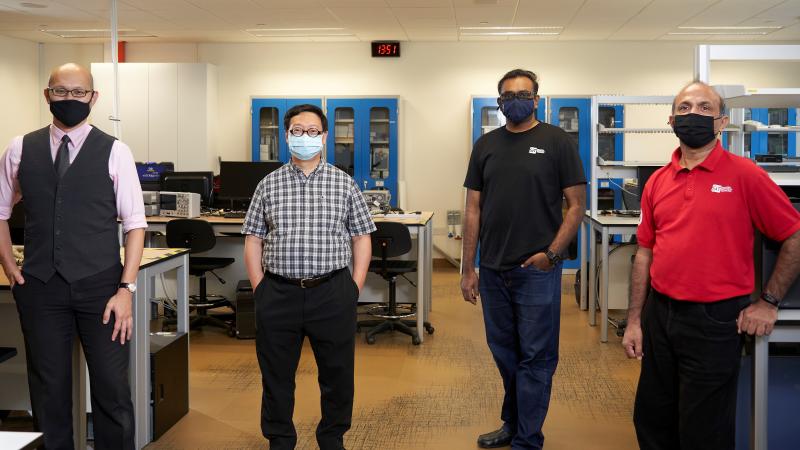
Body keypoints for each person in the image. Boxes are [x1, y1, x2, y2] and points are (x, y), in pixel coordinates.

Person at [622, 80, 800, 450]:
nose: (694, 114)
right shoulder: (657, 181)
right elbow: (645, 253)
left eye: (705, 108)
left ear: (721, 122)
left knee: (704, 429)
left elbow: (794, 237)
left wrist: (769, 301)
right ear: (672, 120)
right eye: (684, 108)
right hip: (660, 314)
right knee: (653, 418)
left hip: (715, 320)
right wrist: (635, 320)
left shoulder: (745, 175)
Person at [0, 63, 146, 449]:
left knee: (112, 389)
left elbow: (135, 225)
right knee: (48, 390)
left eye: (78, 92)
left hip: (102, 288)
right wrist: (9, 264)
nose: (69, 98)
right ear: (47, 95)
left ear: (93, 97)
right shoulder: (19, 148)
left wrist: (126, 289)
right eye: (61, 91)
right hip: (40, 288)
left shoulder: (115, 151)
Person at [460, 69, 586, 449]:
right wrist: (468, 268)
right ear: (500, 101)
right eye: (509, 95)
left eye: (524, 94)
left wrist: (552, 255)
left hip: (536, 271)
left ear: (536, 99)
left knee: (536, 357)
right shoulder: (486, 145)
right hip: (493, 269)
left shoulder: (557, 141)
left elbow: (576, 206)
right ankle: (513, 423)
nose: (516, 101)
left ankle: (527, 440)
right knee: (504, 352)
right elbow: (472, 209)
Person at [242, 104, 375, 450]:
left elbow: (362, 237)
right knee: (276, 376)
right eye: (298, 131)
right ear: (287, 136)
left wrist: (354, 287)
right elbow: (253, 238)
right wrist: (260, 288)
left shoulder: (344, 184)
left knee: (337, 375)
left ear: (325, 137)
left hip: (332, 291)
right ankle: (280, 440)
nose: (305, 137)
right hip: (278, 293)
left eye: (313, 131)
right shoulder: (268, 185)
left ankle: (332, 438)